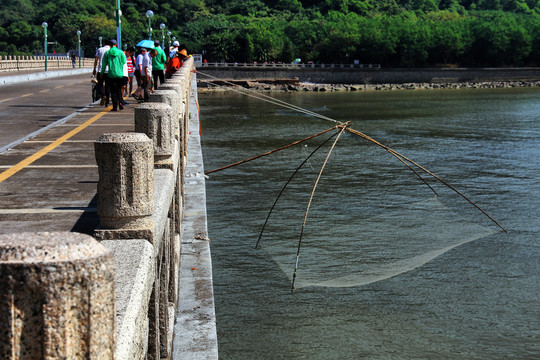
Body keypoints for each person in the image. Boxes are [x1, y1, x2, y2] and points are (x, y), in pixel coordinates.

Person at [100, 39, 126, 111]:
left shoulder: (107, 53)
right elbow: (124, 62)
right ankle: (121, 102)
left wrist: (102, 73)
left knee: (113, 91)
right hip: (120, 75)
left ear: (110, 45)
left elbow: (104, 65)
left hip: (111, 75)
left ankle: (115, 107)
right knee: (119, 89)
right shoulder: (121, 52)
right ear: (116, 44)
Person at [93, 40, 111, 106]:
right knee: (108, 86)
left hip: (101, 70)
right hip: (109, 71)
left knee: (100, 84)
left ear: (104, 43)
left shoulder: (100, 49)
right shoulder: (111, 50)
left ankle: (103, 96)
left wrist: (94, 69)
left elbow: (96, 60)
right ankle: (107, 101)